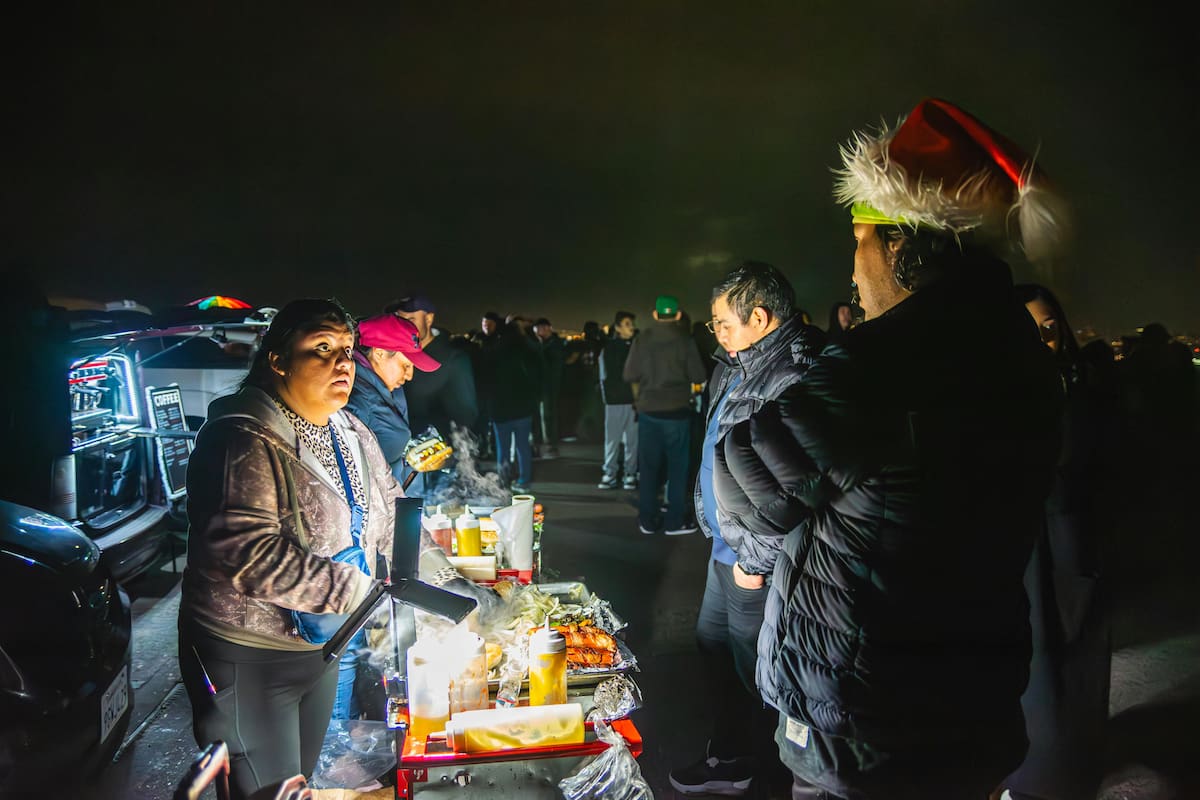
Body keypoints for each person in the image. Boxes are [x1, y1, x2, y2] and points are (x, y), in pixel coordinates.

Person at [715, 98, 1068, 799]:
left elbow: (743, 485)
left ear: (906, 243)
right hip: (973, 697)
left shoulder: (884, 363)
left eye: (861, 239)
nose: (855, 267)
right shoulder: (1016, 351)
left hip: (866, 716)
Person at [177, 298, 403, 799]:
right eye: (321, 348)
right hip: (246, 656)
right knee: (265, 792)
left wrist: (435, 577)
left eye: (347, 349)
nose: (342, 363)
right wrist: (360, 593)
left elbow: (392, 510)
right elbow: (245, 550)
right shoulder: (240, 436)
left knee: (297, 784)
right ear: (277, 358)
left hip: (319, 649)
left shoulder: (350, 431)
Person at [669, 262, 825, 797]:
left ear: (758, 317)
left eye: (721, 322)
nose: (715, 332)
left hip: (758, 558)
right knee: (714, 648)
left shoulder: (795, 372)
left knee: (758, 667)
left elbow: (792, 486)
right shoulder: (736, 363)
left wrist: (753, 564)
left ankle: (770, 770)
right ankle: (733, 756)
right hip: (728, 545)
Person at [996, 284, 1111, 800]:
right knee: (1031, 669)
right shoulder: (996, 390)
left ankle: (1063, 774)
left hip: (1067, 542)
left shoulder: (1079, 385)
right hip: (1023, 547)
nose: (1043, 338)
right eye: (1029, 328)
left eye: (1049, 327)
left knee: (1072, 663)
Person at [336, 312, 440, 724]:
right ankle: (338, 749)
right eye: (405, 361)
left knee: (360, 639)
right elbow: (361, 480)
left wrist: (411, 461)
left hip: (385, 519)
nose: (411, 373)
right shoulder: (356, 398)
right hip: (359, 538)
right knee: (347, 644)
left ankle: (357, 727)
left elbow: (382, 465)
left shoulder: (381, 388)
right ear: (376, 353)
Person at [622, 293, 708, 535]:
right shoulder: (685, 340)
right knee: (677, 469)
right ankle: (674, 521)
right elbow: (699, 376)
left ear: (655, 314)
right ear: (678, 315)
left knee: (648, 468)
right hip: (678, 413)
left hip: (649, 412)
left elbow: (629, 374)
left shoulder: (643, 339)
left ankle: (647, 520)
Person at [386, 293, 480, 498]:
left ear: (429, 319)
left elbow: (467, 412)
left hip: (438, 460)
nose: (404, 325)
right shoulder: (393, 355)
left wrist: (453, 452)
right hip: (403, 458)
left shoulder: (453, 357)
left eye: (411, 319)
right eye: (400, 319)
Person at [477, 318, 543, 493]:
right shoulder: (526, 350)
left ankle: (504, 481)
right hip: (523, 406)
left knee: (503, 447)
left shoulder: (493, 350)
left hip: (500, 408)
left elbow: (486, 380)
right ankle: (524, 481)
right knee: (523, 446)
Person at [597, 310, 639, 490]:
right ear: (618, 328)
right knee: (616, 439)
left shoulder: (634, 346)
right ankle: (615, 473)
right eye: (628, 324)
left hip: (628, 400)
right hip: (620, 400)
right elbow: (604, 375)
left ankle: (623, 473)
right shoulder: (611, 348)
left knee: (630, 440)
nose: (632, 327)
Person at [532, 317, 565, 459]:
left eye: (540, 328)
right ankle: (540, 444)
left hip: (549, 385)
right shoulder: (545, 343)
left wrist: (539, 346)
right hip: (540, 385)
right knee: (539, 416)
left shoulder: (555, 344)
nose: (538, 332)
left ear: (547, 328)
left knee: (548, 415)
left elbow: (549, 364)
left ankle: (551, 445)